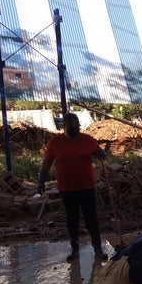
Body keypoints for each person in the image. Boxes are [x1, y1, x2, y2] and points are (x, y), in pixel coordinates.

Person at [37, 112, 108, 262]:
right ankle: (74, 249)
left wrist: (101, 153)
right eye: (71, 128)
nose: (75, 131)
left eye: (77, 128)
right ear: (64, 127)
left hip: (87, 186)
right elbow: (47, 162)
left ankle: (98, 248)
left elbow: (99, 154)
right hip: (67, 188)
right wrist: (41, 180)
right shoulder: (55, 143)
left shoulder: (88, 140)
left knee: (91, 219)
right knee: (72, 220)